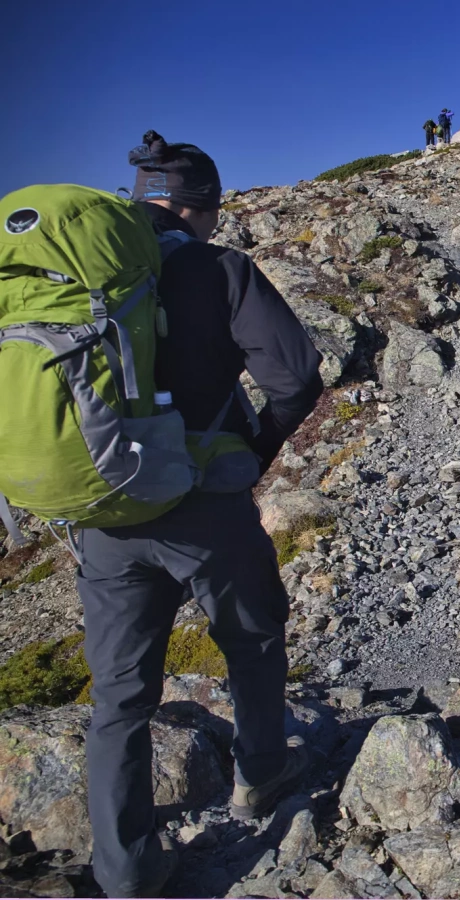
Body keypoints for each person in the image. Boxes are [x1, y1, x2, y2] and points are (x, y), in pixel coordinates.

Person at [77, 131, 323, 897]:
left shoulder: (82, 274)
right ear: (199, 209)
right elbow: (295, 375)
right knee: (251, 639)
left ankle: (125, 872)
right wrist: (253, 445)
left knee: (118, 697)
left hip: (100, 508)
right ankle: (263, 771)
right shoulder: (217, 268)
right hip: (203, 506)